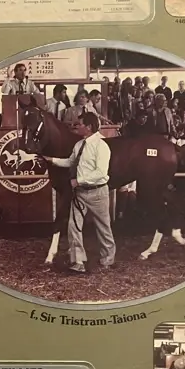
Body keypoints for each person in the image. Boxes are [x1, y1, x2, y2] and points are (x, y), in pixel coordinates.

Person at [46, 112, 115, 273]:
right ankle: (78, 261)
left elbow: (101, 172)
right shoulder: (79, 145)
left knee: (103, 227)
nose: (77, 127)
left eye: (80, 124)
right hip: (80, 193)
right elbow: (70, 161)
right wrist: (51, 160)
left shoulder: (101, 146)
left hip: (98, 192)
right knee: (73, 226)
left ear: (89, 127)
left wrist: (79, 180)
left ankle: (108, 259)